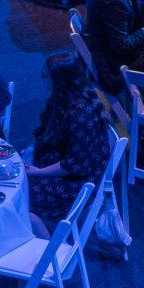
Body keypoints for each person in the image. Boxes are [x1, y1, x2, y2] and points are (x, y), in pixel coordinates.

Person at [26, 53, 115, 216]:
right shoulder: (68, 98)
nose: (43, 77)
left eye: (47, 75)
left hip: (77, 185)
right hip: (65, 167)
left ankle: (39, 231)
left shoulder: (80, 113)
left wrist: (37, 172)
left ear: (59, 81)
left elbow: (75, 165)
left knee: (21, 191)